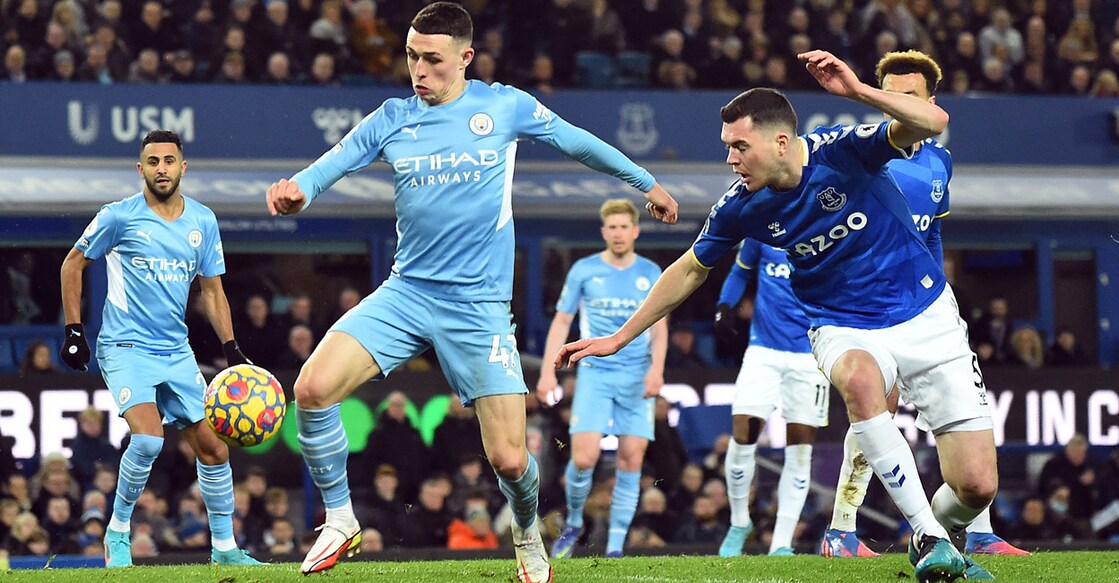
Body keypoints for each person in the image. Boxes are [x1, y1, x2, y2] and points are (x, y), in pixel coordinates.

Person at [264, 2, 678, 578]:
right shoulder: (392, 117)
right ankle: (340, 519)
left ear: (465, 58)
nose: (418, 71)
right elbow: (333, 163)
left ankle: (528, 535)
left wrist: (644, 181)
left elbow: (576, 141)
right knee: (311, 389)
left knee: (510, 459)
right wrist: (297, 191)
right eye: (411, 57)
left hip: (477, 306)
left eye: (432, 59)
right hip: (406, 293)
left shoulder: (502, 106)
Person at [557, 50, 998, 582]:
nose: (730, 160)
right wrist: (622, 335)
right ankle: (928, 537)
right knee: (859, 380)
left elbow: (935, 121)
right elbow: (690, 269)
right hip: (841, 323)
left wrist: (857, 91)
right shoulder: (742, 204)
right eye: (728, 148)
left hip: (926, 316)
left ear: (780, 142)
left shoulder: (845, 153)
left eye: (740, 146)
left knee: (977, 485)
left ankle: (938, 531)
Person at [821, 50, 1028, 560]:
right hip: (867, 313)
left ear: (930, 104)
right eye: (889, 95)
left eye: (908, 97)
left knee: (963, 426)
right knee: (878, 406)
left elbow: (930, 231)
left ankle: (973, 531)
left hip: (927, 308)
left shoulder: (940, 161)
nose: (897, 106)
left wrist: (940, 287)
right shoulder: (860, 156)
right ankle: (841, 530)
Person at [58, 130, 262, 568]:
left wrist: (231, 349)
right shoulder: (118, 217)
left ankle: (225, 550)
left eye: (169, 161)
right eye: (153, 162)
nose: (162, 169)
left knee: (215, 450)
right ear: (141, 169)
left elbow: (212, 292)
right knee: (149, 439)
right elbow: (72, 264)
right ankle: (116, 534)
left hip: (175, 350)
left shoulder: (203, 221)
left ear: (183, 167)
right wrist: (74, 331)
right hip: (124, 346)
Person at [536, 199, 668, 559]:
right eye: (612, 227)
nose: (618, 233)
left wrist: (657, 370)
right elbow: (562, 321)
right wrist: (548, 371)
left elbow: (659, 326)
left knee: (631, 459)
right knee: (583, 458)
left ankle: (614, 547)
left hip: (636, 374)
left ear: (636, 231)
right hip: (595, 373)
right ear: (603, 232)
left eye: (624, 226)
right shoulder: (584, 270)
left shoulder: (651, 272)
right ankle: (575, 521)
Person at [713, 236, 829, 557]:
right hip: (763, 351)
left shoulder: (827, 226)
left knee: (800, 449)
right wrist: (725, 305)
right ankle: (739, 522)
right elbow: (740, 272)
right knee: (743, 434)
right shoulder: (763, 228)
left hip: (811, 355)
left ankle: (781, 542)